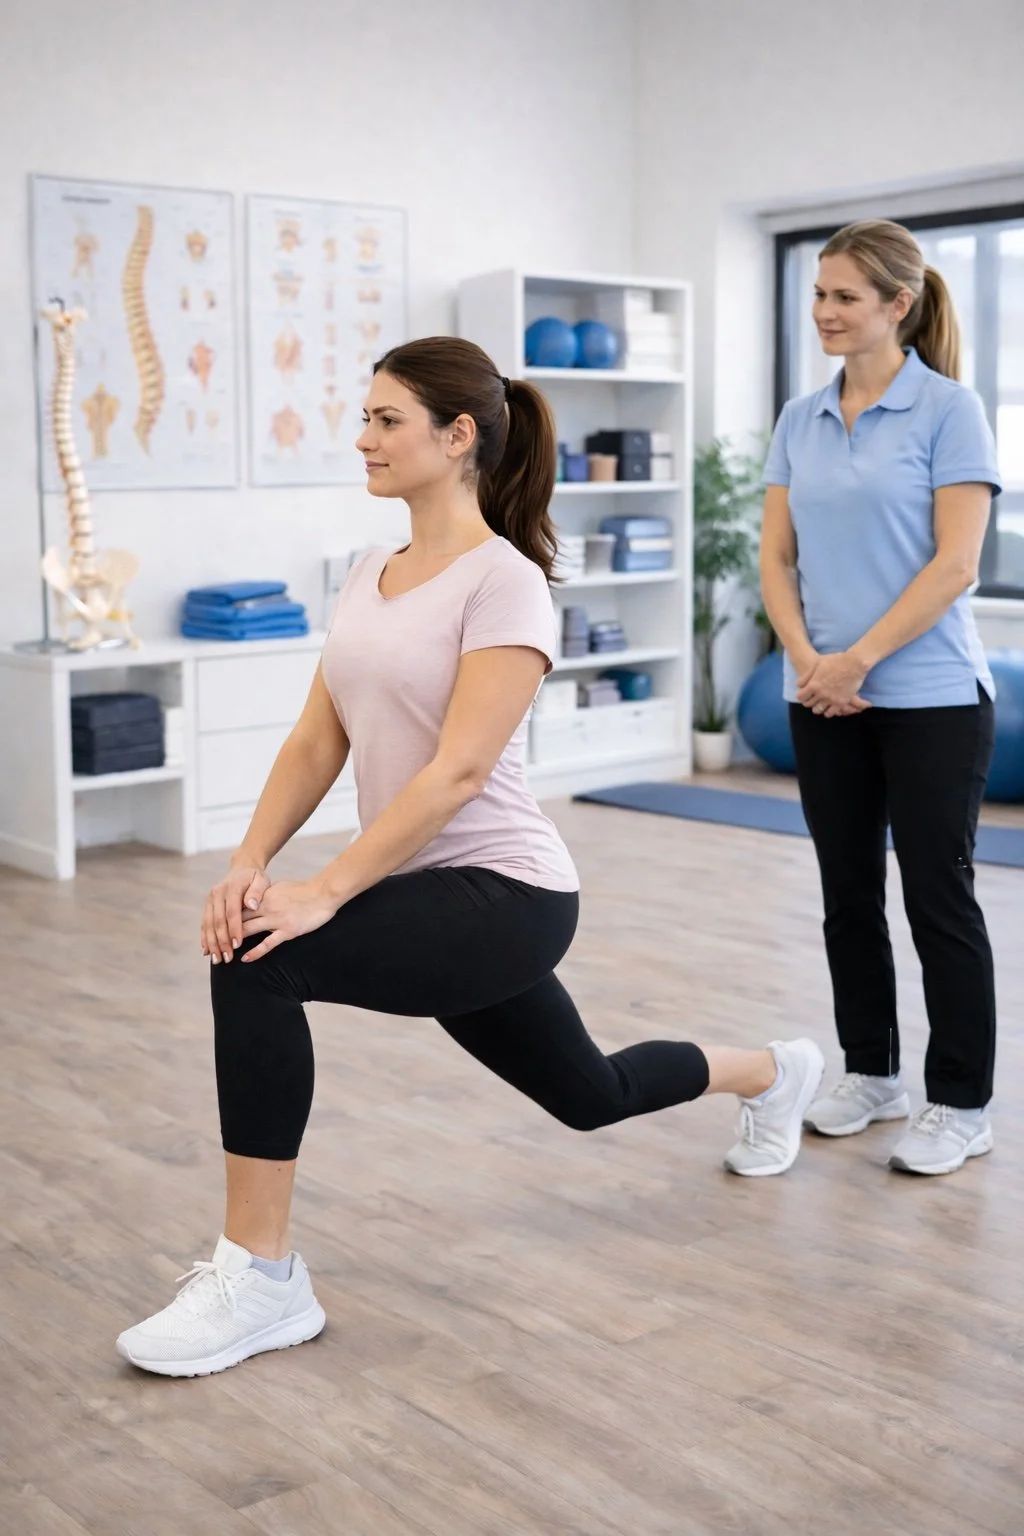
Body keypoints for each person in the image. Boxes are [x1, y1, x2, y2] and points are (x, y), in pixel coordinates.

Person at [117, 336, 823, 1378]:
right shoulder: (370, 571)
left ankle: (262, 1280)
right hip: (426, 890)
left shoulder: (509, 585)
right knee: (587, 1094)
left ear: (457, 439)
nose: (362, 438)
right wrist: (250, 861)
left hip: (507, 894)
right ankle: (774, 1070)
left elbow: (455, 775)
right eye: (363, 417)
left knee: (259, 963)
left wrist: (320, 891)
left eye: (385, 419)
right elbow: (320, 738)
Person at [760, 219, 1002, 1177]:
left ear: (898, 305)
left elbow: (957, 564)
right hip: (819, 694)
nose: (823, 311)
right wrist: (806, 658)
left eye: (845, 296)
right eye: (818, 294)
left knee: (938, 896)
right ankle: (872, 1072)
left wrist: (855, 658)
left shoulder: (951, 410)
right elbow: (776, 558)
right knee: (845, 894)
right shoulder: (797, 418)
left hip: (932, 693)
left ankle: (962, 1102)